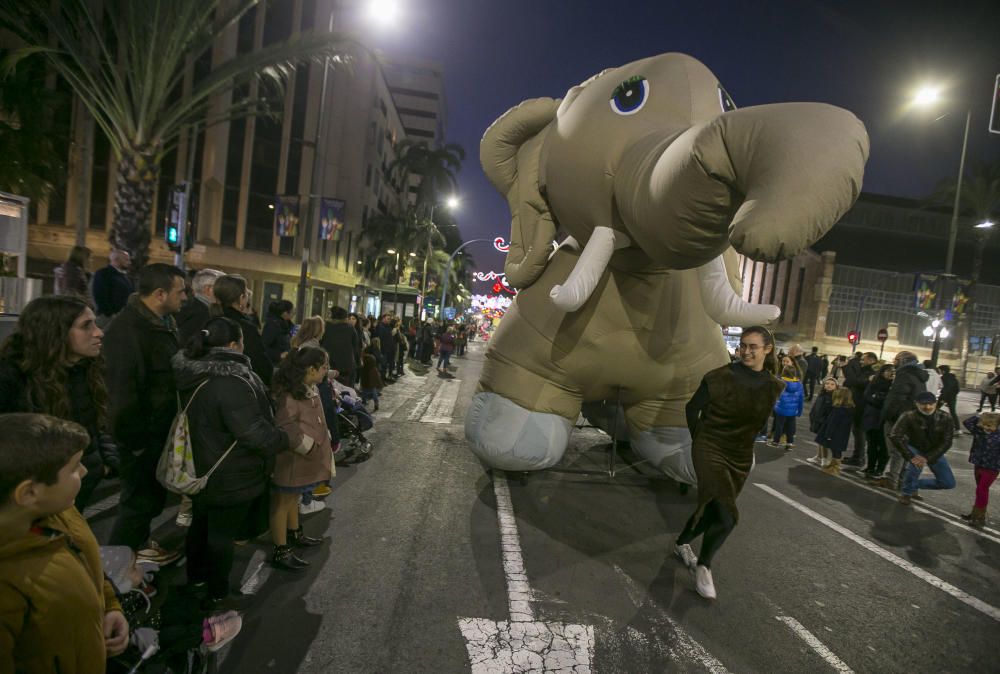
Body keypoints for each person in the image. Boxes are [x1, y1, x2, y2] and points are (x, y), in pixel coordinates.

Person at [171, 318, 289, 608]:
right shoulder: (232, 381)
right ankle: (217, 592)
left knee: (201, 526)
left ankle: (196, 579)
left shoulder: (191, 371)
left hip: (200, 465)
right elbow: (254, 432)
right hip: (230, 471)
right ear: (235, 345)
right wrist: (283, 439)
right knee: (221, 536)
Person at [0, 414, 128, 673]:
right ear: (28, 493)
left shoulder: (61, 510)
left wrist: (110, 606)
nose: (84, 471)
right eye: (74, 467)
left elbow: (84, 558)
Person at [674, 325, 785, 600]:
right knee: (728, 513)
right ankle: (704, 566)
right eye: (743, 345)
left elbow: (758, 422)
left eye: (753, 346)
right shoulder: (719, 377)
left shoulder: (774, 386)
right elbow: (692, 408)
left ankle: (681, 542)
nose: (746, 351)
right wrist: (699, 439)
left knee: (714, 506)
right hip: (710, 447)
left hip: (741, 455)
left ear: (767, 350)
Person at [104, 263, 186, 563]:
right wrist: (134, 442)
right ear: (160, 294)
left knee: (148, 504)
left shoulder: (160, 324)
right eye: (181, 291)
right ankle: (115, 575)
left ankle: (132, 558)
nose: (185, 297)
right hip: (141, 440)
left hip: (155, 435)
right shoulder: (128, 330)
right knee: (137, 506)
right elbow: (122, 392)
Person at [0, 296, 113, 509]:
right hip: (31, 495)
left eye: (95, 324)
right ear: (55, 332)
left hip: (79, 483)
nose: (99, 332)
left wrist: (104, 461)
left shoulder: (83, 367)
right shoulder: (12, 377)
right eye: (86, 326)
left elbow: (94, 421)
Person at [271, 346, 332, 571]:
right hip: (292, 459)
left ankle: (295, 533)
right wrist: (306, 445)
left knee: (293, 498)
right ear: (311, 369)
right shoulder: (291, 395)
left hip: (304, 459)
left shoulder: (309, 388)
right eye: (324, 367)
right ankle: (281, 548)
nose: (326, 371)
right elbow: (286, 426)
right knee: (283, 502)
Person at [889, 390, 956, 505]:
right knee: (914, 467)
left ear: (936, 403)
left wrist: (928, 457)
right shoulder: (908, 416)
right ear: (916, 403)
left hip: (935, 450)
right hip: (915, 446)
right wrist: (910, 455)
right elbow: (895, 435)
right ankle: (907, 493)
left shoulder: (946, 417)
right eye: (923, 404)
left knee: (948, 483)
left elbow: (947, 441)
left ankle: (912, 485)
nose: (927, 407)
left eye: (931, 404)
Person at [876, 351, 928, 491]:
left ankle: (892, 479)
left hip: (898, 419)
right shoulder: (919, 376)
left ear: (903, 361)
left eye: (896, 360)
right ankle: (902, 480)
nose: (894, 362)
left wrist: (887, 415)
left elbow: (896, 398)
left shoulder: (904, 374)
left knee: (896, 450)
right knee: (904, 450)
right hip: (911, 418)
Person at [213, 275, 272, 386]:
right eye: (246, 293)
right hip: (239, 386)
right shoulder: (245, 327)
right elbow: (260, 364)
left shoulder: (210, 320)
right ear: (241, 298)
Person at [960, 412, 1000, 527]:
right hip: (979, 464)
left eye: (990, 425)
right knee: (980, 490)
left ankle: (978, 516)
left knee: (982, 489)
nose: (986, 428)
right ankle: (977, 514)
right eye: (984, 424)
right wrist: (980, 416)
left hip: (992, 467)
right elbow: (967, 422)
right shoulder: (979, 432)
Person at [842, 351, 877, 467]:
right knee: (857, 432)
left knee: (860, 432)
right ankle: (857, 456)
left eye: (863, 360)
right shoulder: (865, 371)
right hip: (858, 405)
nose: (861, 362)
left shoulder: (871, 372)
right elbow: (851, 381)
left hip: (862, 406)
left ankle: (859, 458)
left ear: (871, 360)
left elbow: (857, 382)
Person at [860, 364, 894, 479]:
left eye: (893, 372)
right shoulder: (875, 382)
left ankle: (880, 469)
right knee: (871, 444)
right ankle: (870, 466)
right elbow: (867, 396)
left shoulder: (894, 386)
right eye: (888, 371)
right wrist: (878, 398)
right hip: (872, 417)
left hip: (885, 419)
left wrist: (877, 397)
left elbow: (888, 401)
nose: (891, 373)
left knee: (884, 445)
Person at [177, 268, 224, 345]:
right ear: (208, 289)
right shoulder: (202, 314)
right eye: (222, 287)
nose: (225, 291)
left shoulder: (187, 306)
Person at [816, 388, 855, 475]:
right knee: (837, 450)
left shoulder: (838, 410)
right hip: (843, 435)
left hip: (834, 434)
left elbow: (832, 423)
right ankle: (833, 465)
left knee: (835, 451)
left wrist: (828, 435)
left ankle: (835, 467)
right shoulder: (850, 409)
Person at [91, 248, 133, 327]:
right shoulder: (104, 273)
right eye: (126, 260)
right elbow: (99, 294)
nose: (129, 262)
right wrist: (109, 313)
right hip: (108, 317)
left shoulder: (124, 276)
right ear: (116, 260)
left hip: (121, 317)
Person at [321, 306, 361, 387]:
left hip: (327, 363)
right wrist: (357, 362)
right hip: (346, 365)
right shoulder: (350, 328)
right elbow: (355, 348)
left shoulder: (325, 326)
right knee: (346, 390)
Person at [768, 364, 803, 450]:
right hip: (793, 410)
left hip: (781, 408)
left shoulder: (780, 382)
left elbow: (774, 395)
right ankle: (789, 443)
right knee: (790, 427)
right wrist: (799, 411)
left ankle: (775, 441)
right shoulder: (799, 384)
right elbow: (801, 398)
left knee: (779, 425)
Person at [806, 377, 838, 465]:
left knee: (823, 442)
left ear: (836, 386)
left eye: (832, 384)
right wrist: (812, 417)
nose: (829, 386)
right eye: (827, 384)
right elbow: (816, 408)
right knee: (819, 441)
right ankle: (819, 456)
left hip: (825, 423)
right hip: (818, 421)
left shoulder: (834, 397)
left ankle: (824, 459)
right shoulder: (822, 394)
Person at [262, 299, 295, 367]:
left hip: (283, 364)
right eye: (292, 312)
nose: (293, 314)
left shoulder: (286, 325)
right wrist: (279, 355)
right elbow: (263, 347)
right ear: (285, 313)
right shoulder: (272, 325)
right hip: (273, 365)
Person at [937, 364, 962, 433]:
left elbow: (945, 389)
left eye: (940, 370)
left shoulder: (943, 378)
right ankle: (958, 429)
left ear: (943, 371)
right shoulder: (954, 378)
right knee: (953, 412)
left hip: (944, 397)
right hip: (952, 397)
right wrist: (952, 397)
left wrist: (943, 399)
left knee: (935, 409)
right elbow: (957, 389)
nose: (939, 372)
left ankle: (934, 424)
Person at [360, 343, 384, 411]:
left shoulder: (363, 365)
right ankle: (376, 403)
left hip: (365, 383)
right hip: (372, 384)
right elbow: (377, 377)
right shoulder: (373, 366)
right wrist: (379, 384)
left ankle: (364, 401)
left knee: (364, 393)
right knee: (374, 394)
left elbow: (361, 375)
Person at [374, 313, 397, 382]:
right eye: (387, 319)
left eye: (390, 319)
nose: (389, 320)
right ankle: (381, 380)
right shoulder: (380, 326)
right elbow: (381, 339)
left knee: (385, 366)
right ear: (383, 318)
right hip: (383, 349)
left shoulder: (388, 326)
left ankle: (383, 379)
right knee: (382, 366)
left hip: (388, 349)